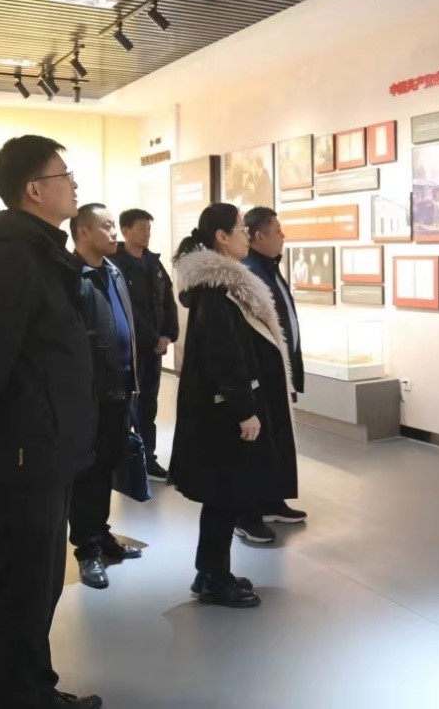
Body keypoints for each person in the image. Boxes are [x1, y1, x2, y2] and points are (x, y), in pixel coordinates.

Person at [0, 136, 100, 709]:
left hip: (48, 446)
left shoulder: (38, 251)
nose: (74, 184)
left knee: (41, 585)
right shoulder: (11, 258)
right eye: (65, 174)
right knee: (21, 591)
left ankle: (36, 690)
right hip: (25, 450)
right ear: (35, 189)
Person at [171, 203, 297, 608]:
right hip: (224, 412)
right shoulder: (217, 292)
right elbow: (224, 356)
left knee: (224, 496)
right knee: (225, 496)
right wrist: (244, 409)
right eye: (240, 229)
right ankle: (214, 579)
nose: (246, 236)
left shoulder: (221, 287)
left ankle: (210, 572)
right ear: (221, 238)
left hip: (223, 408)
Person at [70, 204, 143, 589]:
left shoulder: (112, 271)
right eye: (107, 226)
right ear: (83, 231)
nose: (114, 233)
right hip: (89, 394)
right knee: (87, 471)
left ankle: (101, 534)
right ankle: (87, 549)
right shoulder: (72, 276)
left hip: (119, 388)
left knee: (108, 465)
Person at [239, 207, 307, 544]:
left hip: (277, 371)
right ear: (258, 236)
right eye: (277, 230)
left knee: (277, 438)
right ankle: (249, 512)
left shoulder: (269, 267)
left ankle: (272, 501)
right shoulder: (250, 273)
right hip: (262, 374)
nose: (283, 236)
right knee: (260, 444)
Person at [111, 208, 178, 483]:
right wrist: (153, 339)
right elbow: (126, 309)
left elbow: (168, 301)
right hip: (129, 349)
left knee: (149, 405)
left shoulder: (154, 264)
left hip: (154, 350)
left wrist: (168, 335)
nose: (146, 233)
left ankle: (148, 458)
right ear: (125, 231)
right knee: (127, 405)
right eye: (141, 228)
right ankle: (126, 461)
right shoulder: (115, 265)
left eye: (148, 228)